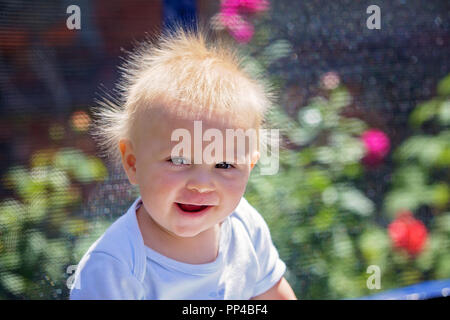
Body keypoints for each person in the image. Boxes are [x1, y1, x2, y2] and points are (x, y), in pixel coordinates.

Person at [69, 25, 297, 300]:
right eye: (178, 160)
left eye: (224, 165)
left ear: (249, 166)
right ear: (133, 163)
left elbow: (272, 293)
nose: (201, 185)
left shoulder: (245, 227)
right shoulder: (114, 267)